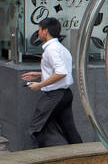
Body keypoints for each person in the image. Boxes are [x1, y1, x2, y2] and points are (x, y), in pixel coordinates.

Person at [22, 18, 83, 147]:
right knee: (69, 130)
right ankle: (82, 157)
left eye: (39, 29)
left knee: (36, 129)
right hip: (65, 94)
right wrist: (39, 75)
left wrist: (39, 85)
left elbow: (61, 73)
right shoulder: (61, 48)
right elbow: (61, 71)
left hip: (54, 96)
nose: (38, 32)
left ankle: (45, 158)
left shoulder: (52, 50)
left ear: (45, 31)